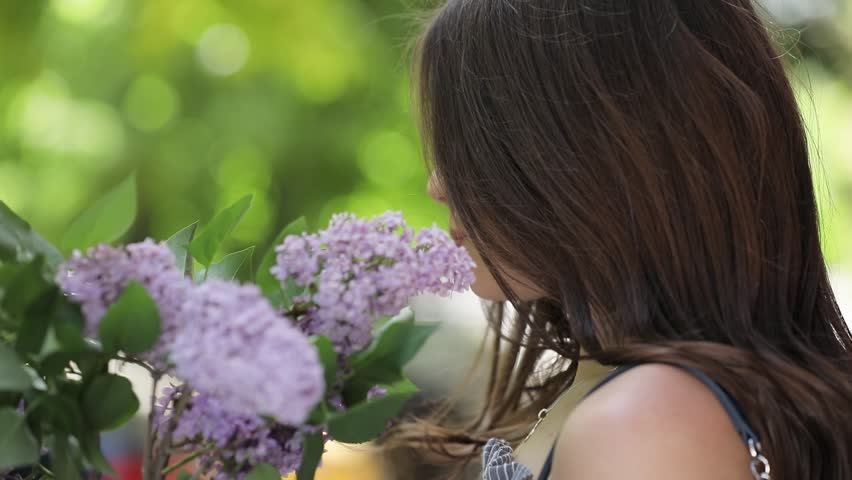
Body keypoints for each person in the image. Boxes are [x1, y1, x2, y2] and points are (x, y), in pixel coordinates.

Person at [385, 1, 852, 479]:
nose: (438, 184)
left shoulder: (643, 425)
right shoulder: (630, 391)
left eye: (476, 146)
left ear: (599, 157)